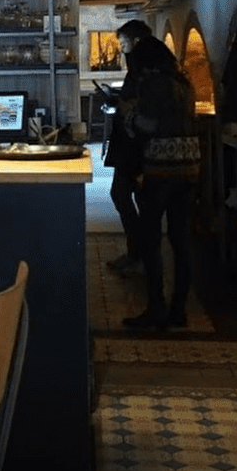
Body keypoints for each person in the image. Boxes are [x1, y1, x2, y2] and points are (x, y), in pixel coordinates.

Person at [119, 31, 201, 330]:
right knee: (181, 239)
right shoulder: (185, 83)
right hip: (189, 167)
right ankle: (179, 309)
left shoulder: (154, 84)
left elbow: (148, 125)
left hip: (161, 168)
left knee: (151, 237)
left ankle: (156, 306)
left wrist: (128, 115)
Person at [99, 20, 158, 278]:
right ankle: (139, 254)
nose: (122, 49)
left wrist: (120, 105)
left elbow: (142, 107)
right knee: (127, 197)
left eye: (123, 43)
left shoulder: (143, 70)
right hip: (133, 146)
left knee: (124, 196)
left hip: (136, 148)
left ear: (135, 42)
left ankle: (139, 255)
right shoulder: (149, 68)